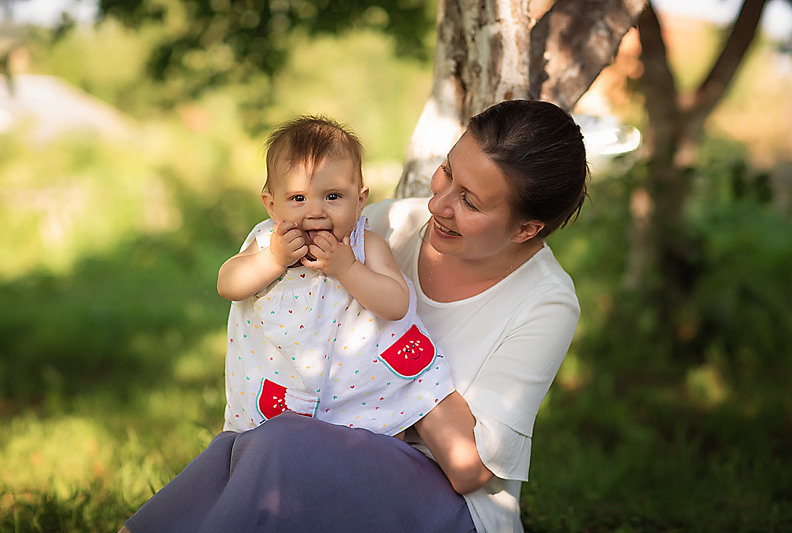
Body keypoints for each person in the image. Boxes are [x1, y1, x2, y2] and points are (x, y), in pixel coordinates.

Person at [121, 99, 588, 533]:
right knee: (249, 446)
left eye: (469, 201)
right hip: (320, 451)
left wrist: (400, 362)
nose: (437, 204)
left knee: (284, 445)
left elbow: (470, 469)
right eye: (447, 172)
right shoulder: (386, 224)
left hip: (446, 502)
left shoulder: (545, 303)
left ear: (526, 229)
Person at [216, 115, 454, 437]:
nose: (315, 211)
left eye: (333, 197)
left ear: (359, 201)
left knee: (376, 438)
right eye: (298, 198)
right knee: (279, 445)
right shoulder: (266, 241)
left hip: (359, 390)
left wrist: (348, 269)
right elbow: (228, 284)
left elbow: (397, 304)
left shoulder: (365, 245)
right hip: (284, 385)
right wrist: (273, 259)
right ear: (271, 206)